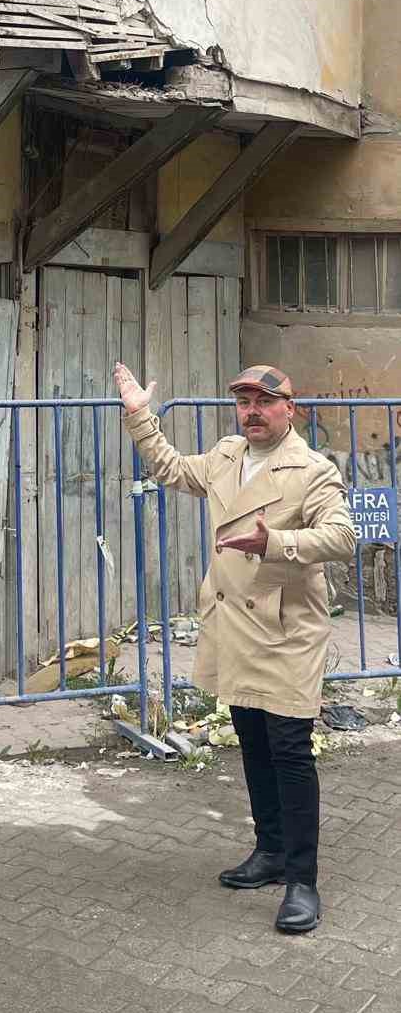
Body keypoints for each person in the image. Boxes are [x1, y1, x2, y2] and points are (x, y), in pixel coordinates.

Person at [113, 361, 356, 935]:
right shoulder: (225, 455)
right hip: (234, 623)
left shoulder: (312, 470)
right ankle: (270, 851)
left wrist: (277, 542)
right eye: (244, 402)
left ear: (288, 409)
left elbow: (343, 537)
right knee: (251, 739)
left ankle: (302, 881)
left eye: (263, 402)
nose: (252, 411)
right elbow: (171, 469)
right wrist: (139, 416)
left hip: (288, 629)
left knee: (290, 749)